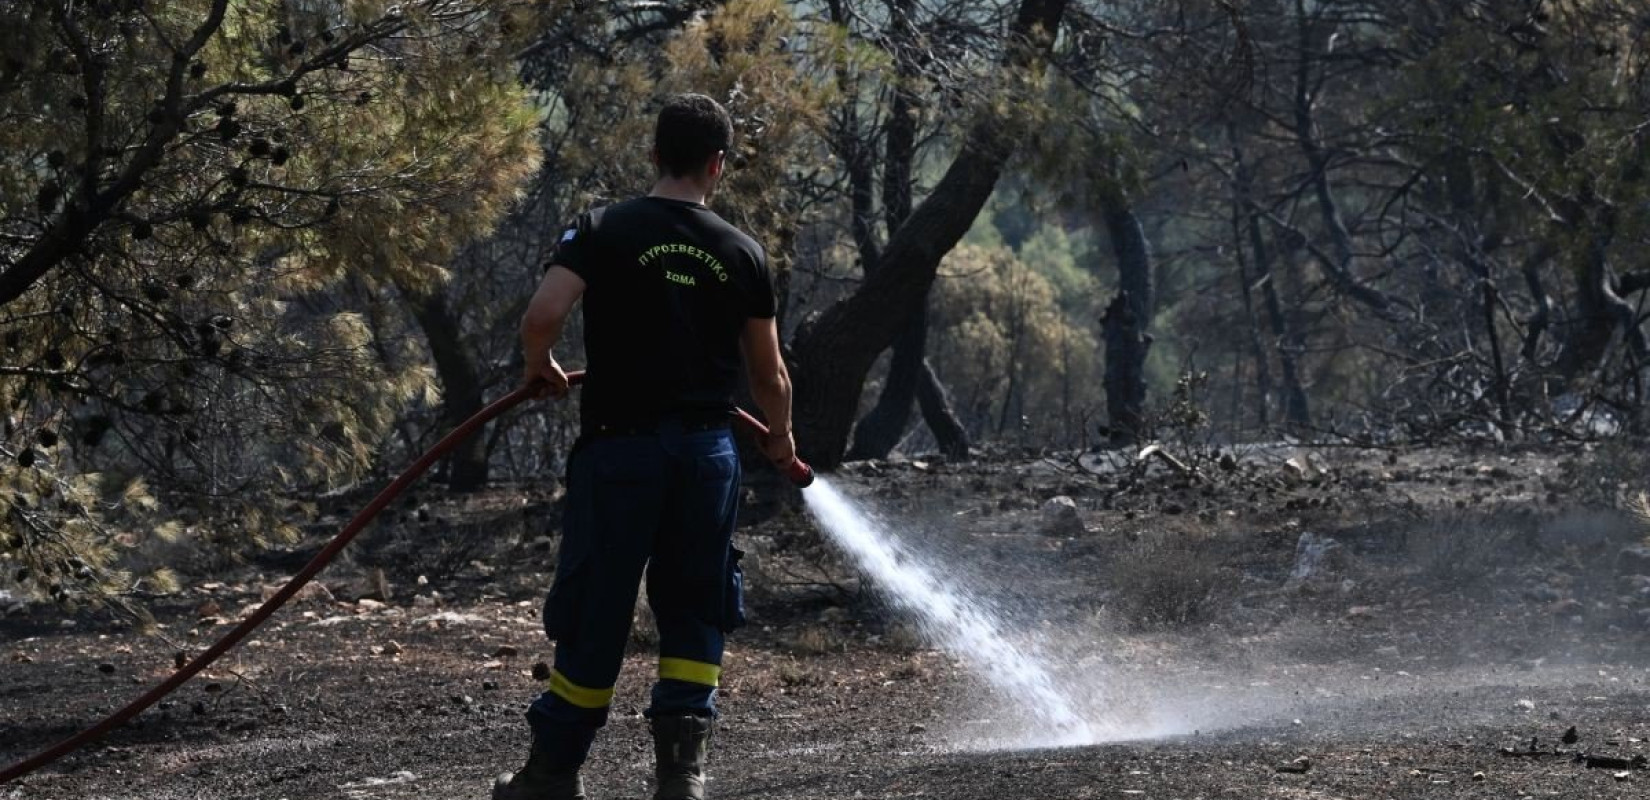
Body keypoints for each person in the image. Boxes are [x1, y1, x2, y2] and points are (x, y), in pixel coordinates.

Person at [495, 93, 795, 800]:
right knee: (696, 603)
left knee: (597, 603)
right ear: (717, 165)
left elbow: (543, 315)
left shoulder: (602, 229)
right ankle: (681, 778)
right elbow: (769, 374)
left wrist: (539, 365)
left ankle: (553, 774)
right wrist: (780, 440)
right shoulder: (742, 253)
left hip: (619, 452)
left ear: (655, 154)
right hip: (705, 456)